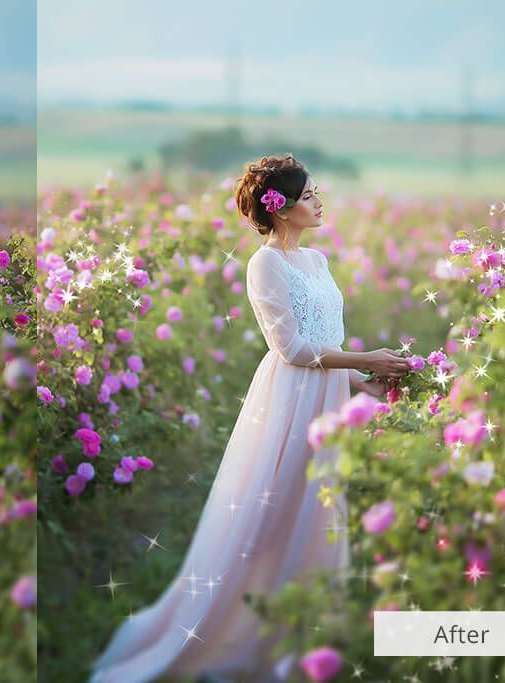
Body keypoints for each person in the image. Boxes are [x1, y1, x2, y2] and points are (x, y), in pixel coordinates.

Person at [88, 153, 409, 683]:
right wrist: (363, 358)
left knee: (317, 514)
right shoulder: (265, 264)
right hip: (290, 400)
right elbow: (291, 348)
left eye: (315, 192)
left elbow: (325, 344)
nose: (319, 200)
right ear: (280, 209)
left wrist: (364, 381)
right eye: (308, 195)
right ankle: (245, 635)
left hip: (325, 396)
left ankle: (303, 638)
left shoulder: (319, 261)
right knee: (271, 516)